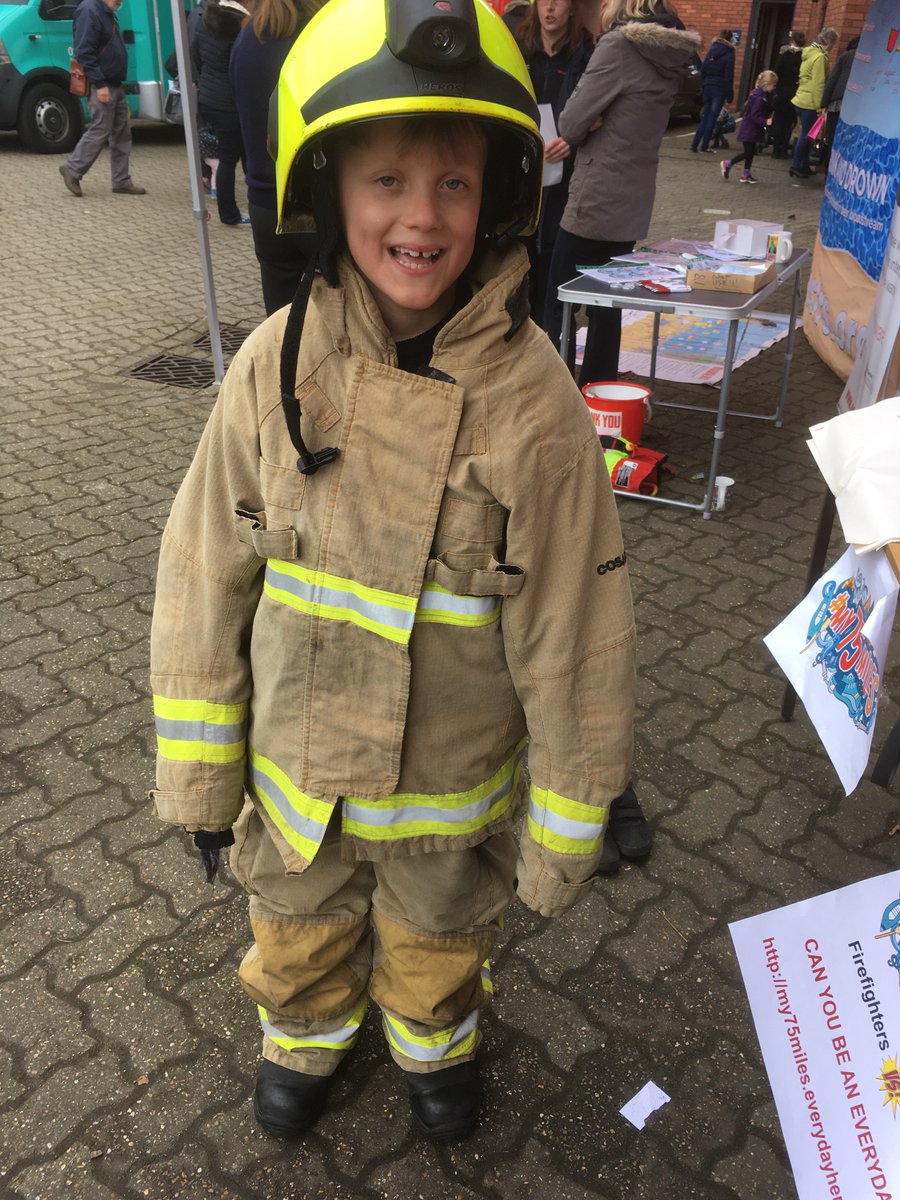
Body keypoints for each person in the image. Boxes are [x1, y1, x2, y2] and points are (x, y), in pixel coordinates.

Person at [150, 0, 635, 1145]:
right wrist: (200, 781)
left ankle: (433, 1038)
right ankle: (306, 1034)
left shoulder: (536, 406)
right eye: (387, 182)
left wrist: (568, 824)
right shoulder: (274, 370)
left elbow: (580, 622)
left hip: (445, 800)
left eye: (455, 185)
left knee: (437, 937)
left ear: (501, 195)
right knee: (299, 926)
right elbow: (201, 572)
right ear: (325, 190)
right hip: (298, 783)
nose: (422, 217)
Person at [545, 0, 700, 381]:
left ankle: (554, 393)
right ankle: (598, 393)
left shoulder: (619, 46)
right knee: (607, 305)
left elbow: (570, 121)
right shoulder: (671, 51)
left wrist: (593, 119)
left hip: (595, 196)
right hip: (633, 197)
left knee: (559, 299)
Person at [231, 0, 322, 312]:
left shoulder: (246, 38)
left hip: (264, 200)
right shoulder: (318, 33)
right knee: (341, 318)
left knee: (280, 323)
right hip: (317, 199)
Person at [514, 0, 594, 328]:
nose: (550, 7)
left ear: (572, 8)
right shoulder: (518, 48)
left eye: (558, 1)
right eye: (543, 0)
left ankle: (554, 341)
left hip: (566, 180)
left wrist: (573, 140)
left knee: (556, 265)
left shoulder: (586, 53)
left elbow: (599, 108)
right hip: (522, 173)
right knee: (521, 261)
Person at [58, 0, 146, 197]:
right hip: (103, 84)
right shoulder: (90, 11)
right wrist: (99, 84)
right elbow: (84, 52)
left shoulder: (104, 11)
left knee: (121, 133)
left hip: (113, 82)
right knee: (100, 129)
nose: (120, 2)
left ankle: (121, 181)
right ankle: (72, 169)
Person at [191, 0, 251, 224]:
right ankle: (231, 214)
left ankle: (238, 210)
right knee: (233, 158)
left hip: (210, 97)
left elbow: (195, 55)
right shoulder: (237, 24)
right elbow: (243, 64)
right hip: (231, 101)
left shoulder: (204, 20)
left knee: (232, 156)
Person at [789, 27, 838, 179]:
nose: (833, 47)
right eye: (833, 43)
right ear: (829, 43)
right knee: (807, 136)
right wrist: (820, 107)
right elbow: (819, 84)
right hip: (810, 103)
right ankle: (796, 165)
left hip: (800, 99)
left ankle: (802, 165)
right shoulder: (819, 58)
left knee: (807, 135)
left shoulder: (808, 53)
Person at [721, 70, 777, 184]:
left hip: (751, 127)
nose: (774, 87)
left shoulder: (759, 94)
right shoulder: (759, 97)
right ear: (767, 84)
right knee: (748, 152)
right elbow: (755, 114)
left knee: (751, 151)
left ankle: (746, 173)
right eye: (773, 85)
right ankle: (728, 163)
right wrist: (766, 121)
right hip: (750, 128)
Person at [818, 34, 859, 172]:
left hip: (837, 103)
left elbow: (832, 80)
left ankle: (828, 171)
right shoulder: (870, 59)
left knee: (832, 138)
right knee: (848, 141)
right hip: (855, 106)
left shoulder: (845, 56)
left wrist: (824, 104)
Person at [690, 28, 734, 154]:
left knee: (705, 117)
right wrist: (730, 95)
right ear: (730, 39)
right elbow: (728, 76)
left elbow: (703, 69)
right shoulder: (729, 53)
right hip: (719, 89)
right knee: (712, 118)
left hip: (708, 87)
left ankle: (694, 145)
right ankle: (704, 146)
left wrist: (706, 82)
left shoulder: (712, 49)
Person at [770, 30, 805, 159]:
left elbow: (776, 73)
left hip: (781, 92)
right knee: (789, 123)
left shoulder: (784, 56)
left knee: (779, 120)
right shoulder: (804, 58)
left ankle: (775, 149)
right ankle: (784, 149)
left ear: (792, 41)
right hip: (795, 94)